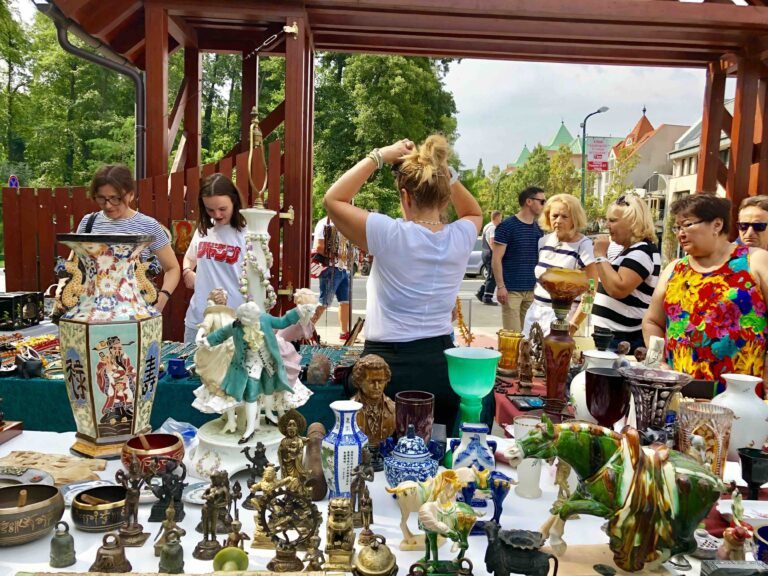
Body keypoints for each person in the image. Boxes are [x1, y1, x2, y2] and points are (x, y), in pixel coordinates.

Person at [323, 135, 482, 437]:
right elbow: (473, 211)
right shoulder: (460, 236)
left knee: (376, 465)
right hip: (441, 368)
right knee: (434, 466)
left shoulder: (390, 233)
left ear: (405, 197)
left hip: (384, 371)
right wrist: (447, 171)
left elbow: (333, 199)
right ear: (446, 198)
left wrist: (380, 155)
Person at [643, 193, 768, 397]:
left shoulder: (755, 261)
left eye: (687, 224)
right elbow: (652, 322)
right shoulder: (675, 269)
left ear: (717, 225)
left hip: (741, 397)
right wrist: (659, 362)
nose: (680, 233)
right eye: (677, 227)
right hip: (680, 395)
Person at [199, 301, 316, 443]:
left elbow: (282, 321)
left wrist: (298, 311)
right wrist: (206, 341)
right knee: (251, 393)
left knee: (269, 388)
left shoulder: (265, 319)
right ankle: (250, 428)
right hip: (249, 364)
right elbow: (221, 333)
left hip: (269, 361)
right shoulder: (236, 326)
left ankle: (268, 414)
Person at [68, 164, 180, 312]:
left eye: (115, 198)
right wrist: (63, 290)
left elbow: (172, 268)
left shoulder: (149, 226)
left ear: (130, 195)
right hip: (90, 310)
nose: (108, 205)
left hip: (136, 310)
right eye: (101, 198)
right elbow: (73, 263)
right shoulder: (88, 223)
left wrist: (163, 297)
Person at [591, 194, 661, 353]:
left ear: (633, 223)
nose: (607, 225)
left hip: (622, 340)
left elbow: (618, 288)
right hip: (614, 336)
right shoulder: (632, 250)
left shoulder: (642, 251)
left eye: (613, 220)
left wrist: (600, 255)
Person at [182, 173, 247, 343]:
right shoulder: (204, 230)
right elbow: (189, 258)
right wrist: (187, 270)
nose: (216, 214)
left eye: (222, 209)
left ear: (234, 201)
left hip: (234, 322)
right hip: (198, 320)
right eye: (210, 209)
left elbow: (260, 282)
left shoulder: (249, 233)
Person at [523, 193, 597, 337]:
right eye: (554, 215)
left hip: (565, 319)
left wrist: (574, 324)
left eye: (564, 216)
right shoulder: (543, 242)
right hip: (535, 314)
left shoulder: (583, 245)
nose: (558, 220)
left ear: (574, 219)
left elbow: (592, 290)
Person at [493, 187, 546, 332]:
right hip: (511, 291)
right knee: (513, 337)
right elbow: (496, 259)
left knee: (530, 338)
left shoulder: (539, 229)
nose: (544, 205)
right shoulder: (507, 226)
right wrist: (501, 286)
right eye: (542, 201)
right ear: (529, 201)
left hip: (533, 291)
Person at [312, 215, 352, 341]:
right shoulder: (324, 223)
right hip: (330, 267)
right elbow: (319, 247)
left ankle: (344, 332)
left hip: (343, 267)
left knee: (345, 301)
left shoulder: (343, 223)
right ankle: (305, 329)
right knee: (324, 302)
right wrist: (339, 255)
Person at [476, 210, 502, 305]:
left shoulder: (487, 226)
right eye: (500, 218)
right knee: (493, 275)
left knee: (490, 275)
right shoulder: (493, 228)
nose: (501, 220)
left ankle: (481, 292)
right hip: (490, 253)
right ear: (497, 217)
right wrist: (496, 254)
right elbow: (492, 242)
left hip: (484, 252)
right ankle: (487, 297)